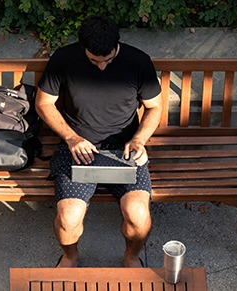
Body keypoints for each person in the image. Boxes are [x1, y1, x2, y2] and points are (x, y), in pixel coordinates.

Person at [35, 15, 162, 268]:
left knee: (137, 214)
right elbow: (43, 103)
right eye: (94, 60)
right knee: (69, 217)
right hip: (77, 148)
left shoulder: (138, 61)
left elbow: (154, 107)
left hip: (124, 149)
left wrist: (139, 139)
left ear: (117, 45)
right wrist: (71, 137)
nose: (102, 66)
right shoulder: (63, 59)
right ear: (83, 48)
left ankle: (132, 256)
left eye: (108, 59)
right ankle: (70, 255)